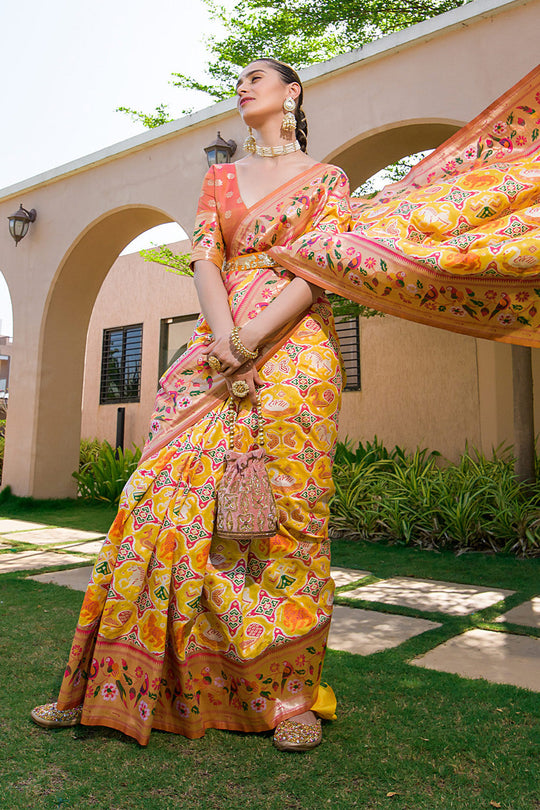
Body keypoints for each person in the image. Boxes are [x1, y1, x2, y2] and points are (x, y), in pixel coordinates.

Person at [31, 58, 352, 751]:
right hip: (215, 346)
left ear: (291, 93)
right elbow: (205, 257)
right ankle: (110, 681)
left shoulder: (329, 182)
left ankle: (289, 696)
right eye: (237, 79)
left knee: (284, 523)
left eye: (257, 77)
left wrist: (258, 335)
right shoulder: (221, 178)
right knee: (152, 502)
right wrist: (227, 338)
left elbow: (319, 268)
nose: (243, 86)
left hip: (293, 355)